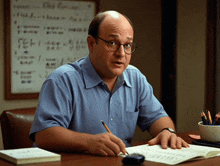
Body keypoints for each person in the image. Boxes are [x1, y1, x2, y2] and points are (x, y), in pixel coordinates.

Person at [29, 10, 189, 157]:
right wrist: (89, 142)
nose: (121, 53)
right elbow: (44, 134)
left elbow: (158, 117)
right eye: (112, 43)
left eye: (127, 45)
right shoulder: (63, 79)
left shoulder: (135, 78)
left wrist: (166, 132)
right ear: (91, 44)